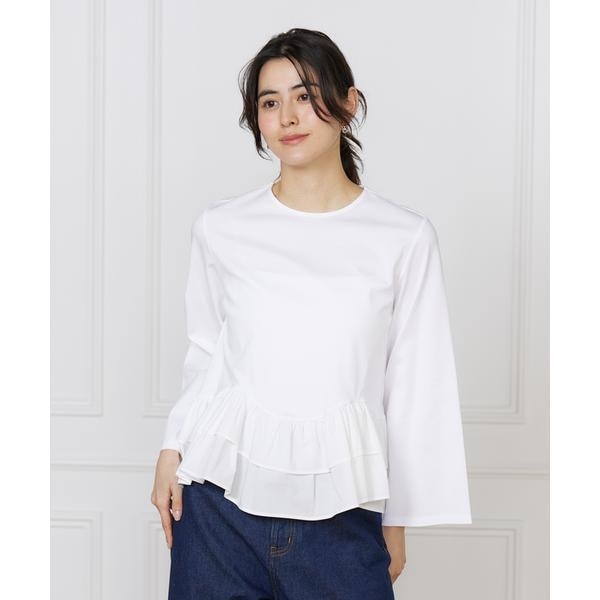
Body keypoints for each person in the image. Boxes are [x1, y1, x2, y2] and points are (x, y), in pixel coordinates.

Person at [150, 27, 472, 600]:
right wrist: (171, 449)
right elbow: (206, 351)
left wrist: (397, 521)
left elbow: (414, 387)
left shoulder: (403, 237)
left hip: (343, 519)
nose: (288, 117)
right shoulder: (221, 227)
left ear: (348, 102)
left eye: (306, 95)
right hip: (217, 511)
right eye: (270, 102)